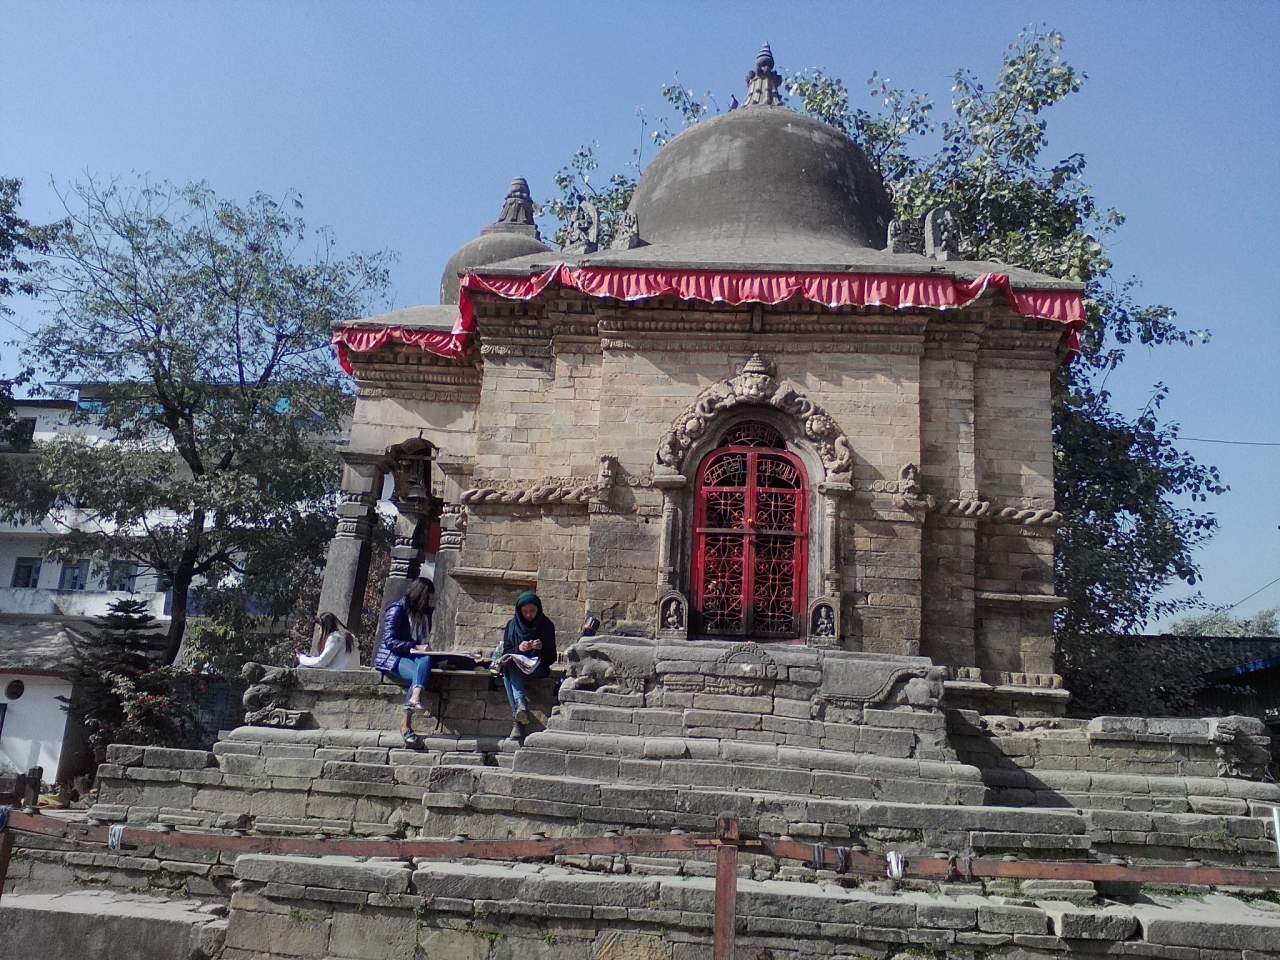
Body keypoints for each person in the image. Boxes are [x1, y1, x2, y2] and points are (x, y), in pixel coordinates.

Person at [373, 578, 476, 745]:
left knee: (426, 659)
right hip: (392, 657)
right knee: (418, 675)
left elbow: (423, 639)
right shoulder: (396, 610)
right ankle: (406, 724)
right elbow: (390, 641)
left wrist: (423, 648)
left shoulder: (423, 614)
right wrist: (415, 646)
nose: (430, 602)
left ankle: (415, 698)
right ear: (420, 595)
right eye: (428, 597)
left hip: (413, 656)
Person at [495, 591, 556, 725]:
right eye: (525, 611)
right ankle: (520, 710)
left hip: (538, 668)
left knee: (508, 673)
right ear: (519, 610)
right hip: (516, 667)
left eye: (532, 611)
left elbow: (552, 657)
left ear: (538, 610)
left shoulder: (546, 625)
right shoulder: (512, 626)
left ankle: (518, 716)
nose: (528, 615)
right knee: (509, 667)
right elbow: (506, 651)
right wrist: (519, 649)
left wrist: (541, 648)